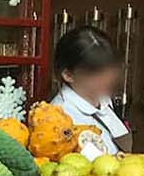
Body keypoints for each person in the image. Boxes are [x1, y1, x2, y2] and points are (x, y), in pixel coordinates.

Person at [51, 25, 134, 155]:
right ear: (68, 75)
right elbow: (93, 166)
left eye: (110, 68)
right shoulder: (60, 117)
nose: (108, 78)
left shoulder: (102, 98)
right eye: (97, 72)